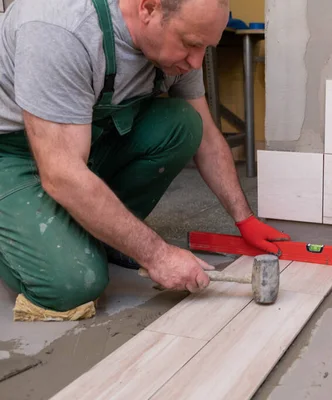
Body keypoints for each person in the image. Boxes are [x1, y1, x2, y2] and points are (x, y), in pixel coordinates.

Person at [0, 0, 290, 316]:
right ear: (148, 9)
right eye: (191, 45)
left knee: (184, 123)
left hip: (76, 141)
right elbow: (62, 172)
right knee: (73, 284)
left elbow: (206, 136)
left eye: (205, 48)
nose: (196, 62)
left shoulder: (179, 49)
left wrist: (244, 218)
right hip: (12, 152)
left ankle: (103, 235)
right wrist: (157, 255)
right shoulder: (62, 27)